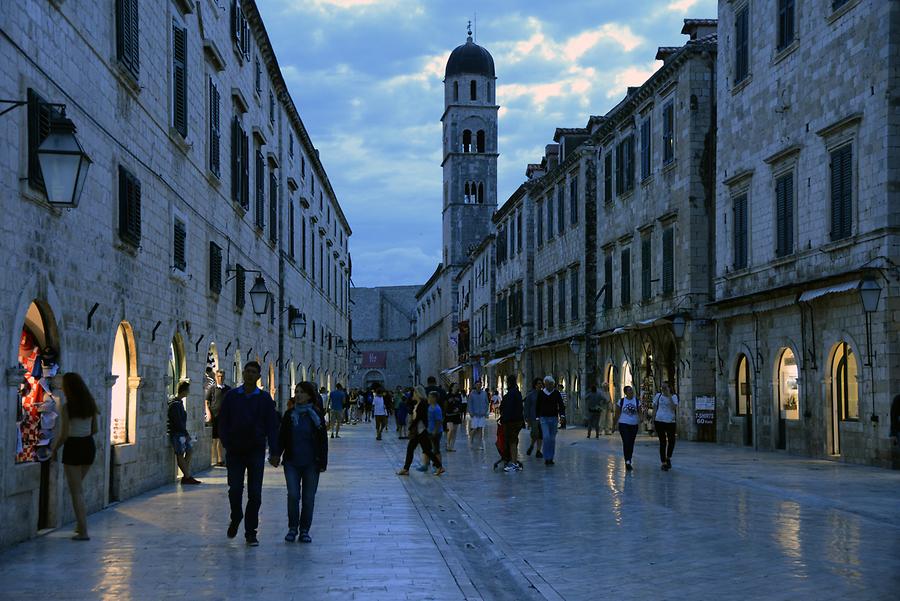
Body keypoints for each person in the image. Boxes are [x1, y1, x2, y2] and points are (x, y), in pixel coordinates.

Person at [218, 361, 280, 546]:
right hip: (235, 451)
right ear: (243, 373)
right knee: (235, 489)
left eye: (254, 372)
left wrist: (275, 451)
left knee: (255, 493)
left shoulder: (264, 399)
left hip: (255, 450)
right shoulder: (231, 397)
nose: (250, 375)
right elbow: (222, 421)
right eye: (248, 371)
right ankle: (236, 516)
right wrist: (227, 442)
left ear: (258, 377)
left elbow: (272, 426)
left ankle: (250, 531)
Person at [273, 382, 328, 543]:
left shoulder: (316, 415)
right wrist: (276, 454)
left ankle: (304, 530)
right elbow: (282, 437)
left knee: (308, 498)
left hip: (312, 462)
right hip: (292, 461)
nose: (298, 395)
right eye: (296, 392)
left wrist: (323, 461)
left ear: (310, 395)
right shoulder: (289, 415)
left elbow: (323, 440)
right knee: (293, 495)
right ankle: (292, 528)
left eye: (302, 392)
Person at [52, 373, 99, 540]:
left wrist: (54, 450)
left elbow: (64, 434)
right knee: (79, 489)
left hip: (73, 447)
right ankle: (80, 526)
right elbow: (95, 430)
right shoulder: (90, 404)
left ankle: (84, 531)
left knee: (76, 492)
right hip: (88, 446)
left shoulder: (67, 407)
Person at [397, 386, 444, 476]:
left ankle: (406, 469)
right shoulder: (418, 403)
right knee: (424, 450)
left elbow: (419, 418)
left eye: (414, 393)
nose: (412, 395)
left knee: (423, 450)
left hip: (421, 431)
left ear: (417, 393)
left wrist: (411, 427)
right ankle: (406, 468)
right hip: (419, 431)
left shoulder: (422, 404)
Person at [168, 381, 200, 485]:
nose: (189, 392)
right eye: (188, 390)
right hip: (177, 433)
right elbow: (177, 422)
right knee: (180, 454)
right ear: (184, 390)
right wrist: (185, 433)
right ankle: (187, 476)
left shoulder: (179, 403)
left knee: (189, 450)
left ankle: (186, 475)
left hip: (181, 432)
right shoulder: (175, 404)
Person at [536, 376, 565, 466]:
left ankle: (550, 458)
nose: (550, 386)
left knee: (552, 439)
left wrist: (562, 415)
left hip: (554, 418)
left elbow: (561, 404)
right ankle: (546, 456)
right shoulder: (541, 393)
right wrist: (537, 417)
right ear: (546, 384)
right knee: (546, 437)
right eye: (548, 384)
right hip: (544, 418)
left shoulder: (556, 393)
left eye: (551, 384)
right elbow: (538, 405)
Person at [205, 370, 230, 466]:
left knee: (221, 438)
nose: (221, 378)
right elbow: (206, 402)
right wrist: (208, 413)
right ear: (216, 377)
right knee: (215, 438)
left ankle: (221, 459)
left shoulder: (228, 389)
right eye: (219, 376)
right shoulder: (212, 389)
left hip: (225, 417)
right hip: (214, 417)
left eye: (222, 376)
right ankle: (214, 460)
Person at [652, 382, 679, 471]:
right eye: (662, 387)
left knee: (672, 440)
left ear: (669, 388)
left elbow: (673, 408)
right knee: (662, 442)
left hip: (670, 421)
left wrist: (669, 395)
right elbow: (655, 409)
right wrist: (653, 421)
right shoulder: (658, 396)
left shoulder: (674, 397)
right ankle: (663, 462)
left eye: (665, 387)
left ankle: (668, 457)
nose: (663, 388)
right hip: (659, 421)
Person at [499, 376, 524, 472]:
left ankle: (513, 463)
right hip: (517, 421)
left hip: (511, 422)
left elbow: (506, 409)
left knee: (512, 442)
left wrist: (504, 419)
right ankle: (513, 460)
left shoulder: (510, 395)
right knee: (514, 441)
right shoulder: (517, 393)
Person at [615, 385, 642, 471]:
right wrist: (614, 424)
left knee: (631, 443)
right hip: (623, 424)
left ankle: (629, 459)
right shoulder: (621, 401)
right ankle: (627, 461)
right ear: (626, 392)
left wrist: (641, 418)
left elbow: (640, 411)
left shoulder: (637, 401)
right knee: (626, 442)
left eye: (631, 390)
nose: (631, 392)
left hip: (634, 424)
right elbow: (617, 413)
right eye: (629, 390)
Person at [467, 380, 489, 450]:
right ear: (475, 385)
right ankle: (471, 441)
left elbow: (487, 403)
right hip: (475, 414)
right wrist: (470, 412)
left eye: (479, 384)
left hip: (482, 414)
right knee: (475, 428)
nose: (478, 386)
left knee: (480, 429)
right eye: (477, 384)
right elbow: (469, 403)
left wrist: (486, 412)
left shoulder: (484, 393)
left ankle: (479, 444)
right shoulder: (472, 394)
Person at [524, 378, 543, 458]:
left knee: (540, 434)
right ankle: (532, 445)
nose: (540, 385)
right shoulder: (530, 395)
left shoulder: (543, 394)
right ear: (535, 385)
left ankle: (538, 451)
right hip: (533, 417)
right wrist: (527, 418)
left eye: (541, 383)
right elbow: (527, 407)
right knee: (535, 434)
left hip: (542, 417)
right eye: (539, 383)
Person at [427, 391, 444, 471]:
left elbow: (439, 421)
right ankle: (430, 463)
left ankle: (440, 466)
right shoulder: (430, 407)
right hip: (430, 430)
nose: (428, 398)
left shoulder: (437, 409)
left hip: (436, 432)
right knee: (430, 448)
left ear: (434, 398)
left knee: (436, 449)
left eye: (430, 397)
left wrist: (435, 431)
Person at [444, 383, 462, 452]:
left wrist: (458, 409)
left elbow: (460, 404)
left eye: (457, 386)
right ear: (451, 387)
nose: (456, 387)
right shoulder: (448, 396)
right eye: (455, 386)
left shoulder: (459, 395)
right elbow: (445, 404)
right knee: (450, 429)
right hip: (449, 415)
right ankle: (448, 443)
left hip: (456, 415)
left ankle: (452, 446)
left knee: (455, 431)